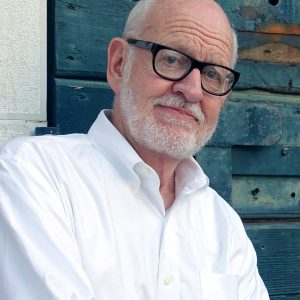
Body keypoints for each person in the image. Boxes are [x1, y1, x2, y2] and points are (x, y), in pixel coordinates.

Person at [0, 0, 269, 299]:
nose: (192, 90)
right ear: (119, 64)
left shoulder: (224, 225)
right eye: (171, 59)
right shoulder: (35, 174)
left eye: (213, 75)